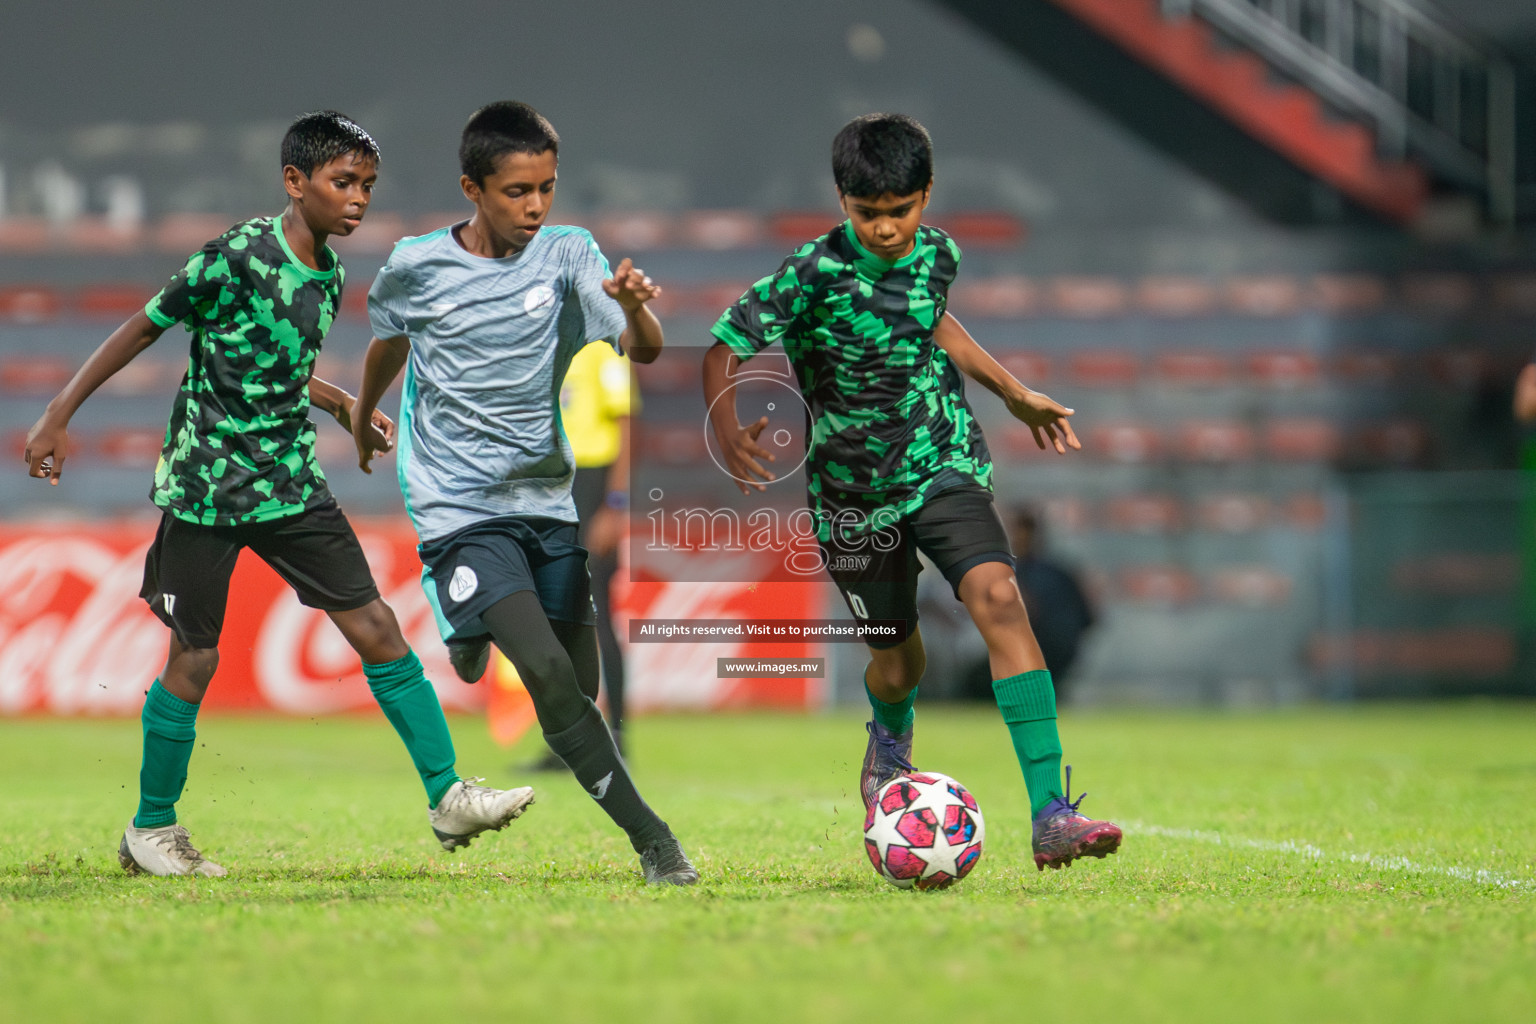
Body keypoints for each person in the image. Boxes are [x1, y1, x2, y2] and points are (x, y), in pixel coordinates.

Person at [22, 112, 534, 878]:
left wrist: (341, 407)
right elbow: (143, 326)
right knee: (194, 660)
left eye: (366, 185)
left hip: (290, 483)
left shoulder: (328, 274)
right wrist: (58, 415)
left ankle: (448, 796)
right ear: (295, 183)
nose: (357, 199)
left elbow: (273, 361)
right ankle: (150, 831)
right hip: (209, 486)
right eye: (342, 183)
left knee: (377, 626)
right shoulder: (234, 256)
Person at [702, 113, 1122, 872]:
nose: (889, 228)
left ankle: (1051, 813)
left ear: (927, 196)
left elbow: (938, 325)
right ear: (842, 201)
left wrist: (1013, 391)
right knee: (900, 662)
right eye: (870, 213)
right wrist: (728, 424)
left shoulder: (939, 256)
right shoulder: (809, 274)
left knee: (998, 596)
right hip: (853, 493)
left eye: (902, 209)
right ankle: (890, 737)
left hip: (939, 459)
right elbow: (727, 343)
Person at [350, 101, 696, 886]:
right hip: (459, 507)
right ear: (473, 188)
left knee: (579, 688)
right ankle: (655, 841)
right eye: (516, 192)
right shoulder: (415, 263)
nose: (535, 206)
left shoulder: (570, 254)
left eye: (546, 188)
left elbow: (643, 351)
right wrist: (366, 411)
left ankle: (465, 627)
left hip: (545, 502)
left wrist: (638, 310)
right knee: (543, 672)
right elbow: (390, 339)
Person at [525, 341, 636, 771]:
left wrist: (615, 503)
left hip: (591, 487)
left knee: (597, 611)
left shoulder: (601, 352)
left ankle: (618, 734)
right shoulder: (544, 347)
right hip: (551, 486)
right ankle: (568, 738)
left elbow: (627, 423)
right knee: (556, 614)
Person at [1010, 506, 1096, 701]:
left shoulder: (1011, 574)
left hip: (1041, 652)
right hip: (1061, 653)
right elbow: (1089, 619)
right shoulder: (1060, 572)